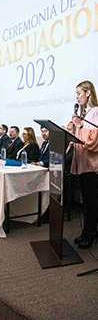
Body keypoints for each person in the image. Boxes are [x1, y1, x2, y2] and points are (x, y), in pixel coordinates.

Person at [71, 81, 98, 248]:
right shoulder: (84, 114)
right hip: (82, 163)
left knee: (91, 200)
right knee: (86, 201)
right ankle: (85, 232)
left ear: (88, 93)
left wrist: (79, 126)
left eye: (79, 93)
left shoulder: (95, 112)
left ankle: (91, 233)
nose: (77, 97)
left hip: (91, 165)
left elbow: (94, 139)